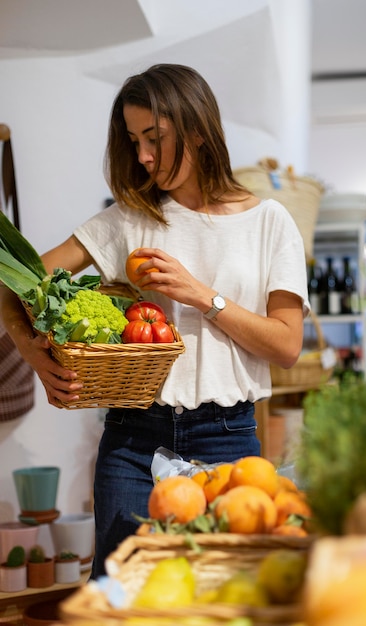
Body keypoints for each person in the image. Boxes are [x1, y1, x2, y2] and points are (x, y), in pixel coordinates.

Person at [0, 64, 309, 578]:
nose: (142, 155)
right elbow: (13, 279)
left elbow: (286, 344)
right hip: (132, 440)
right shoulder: (127, 219)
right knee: (122, 597)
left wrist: (200, 294)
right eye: (133, 139)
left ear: (198, 130)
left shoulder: (269, 222)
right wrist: (30, 349)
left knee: (221, 597)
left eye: (155, 138)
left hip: (228, 437)